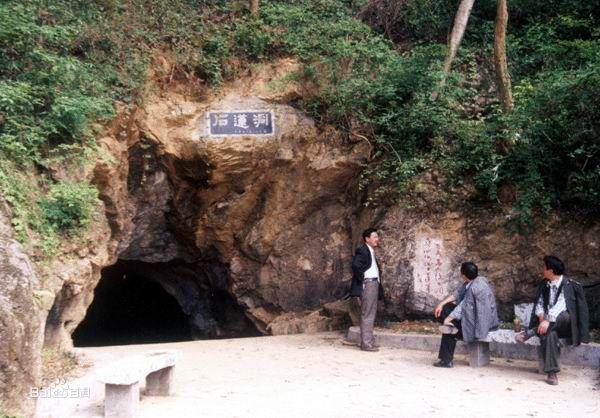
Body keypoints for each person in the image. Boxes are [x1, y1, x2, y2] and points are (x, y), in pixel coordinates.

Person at [515, 255, 589, 385]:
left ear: (551, 270)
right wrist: (542, 317)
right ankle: (552, 373)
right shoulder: (545, 284)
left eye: (544, 268)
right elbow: (539, 303)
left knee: (565, 315)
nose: (542, 270)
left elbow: (561, 306)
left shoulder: (569, 285)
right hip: (550, 327)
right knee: (551, 334)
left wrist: (547, 321)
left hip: (566, 325)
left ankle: (531, 332)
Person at [433, 262, 499, 367]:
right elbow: (458, 293)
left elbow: (461, 308)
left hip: (479, 327)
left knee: (449, 329)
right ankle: (446, 359)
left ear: (463, 275)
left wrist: (448, 320)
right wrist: (441, 304)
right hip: (479, 320)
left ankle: (446, 361)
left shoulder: (475, 288)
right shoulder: (477, 281)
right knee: (446, 309)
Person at [349, 227, 384, 352]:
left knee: (370, 313)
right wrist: (363, 280)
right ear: (367, 239)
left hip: (373, 284)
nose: (377, 239)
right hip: (368, 284)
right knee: (367, 314)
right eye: (374, 237)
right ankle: (366, 344)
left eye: (377, 236)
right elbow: (355, 265)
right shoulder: (363, 250)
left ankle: (368, 341)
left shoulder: (370, 250)